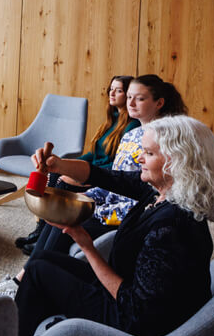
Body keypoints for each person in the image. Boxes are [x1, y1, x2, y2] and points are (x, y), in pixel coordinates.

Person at [11, 116, 214, 336]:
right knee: (42, 260)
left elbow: (135, 308)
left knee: (38, 275)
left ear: (177, 161)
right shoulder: (164, 194)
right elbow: (106, 176)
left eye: (150, 153)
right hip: (139, 298)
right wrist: (59, 165)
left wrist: (87, 245)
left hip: (140, 329)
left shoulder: (172, 228)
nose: (138, 157)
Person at [0, 74, 187, 295]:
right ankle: (24, 277)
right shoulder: (131, 135)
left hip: (127, 211)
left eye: (139, 99)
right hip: (109, 198)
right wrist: (61, 166)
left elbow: (143, 190)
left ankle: (23, 282)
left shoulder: (166, 140)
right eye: (130, 97)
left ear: (159, 103)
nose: (130, 103)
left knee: (67, 220)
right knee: (60, 210)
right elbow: (117, 177)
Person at [15, 74, 137, 251]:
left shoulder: (131, 127)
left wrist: (81, 174)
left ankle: (45, 238)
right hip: (95, 169)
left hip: (104, 178)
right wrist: (68, 164)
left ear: (128, 95)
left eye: (118, 90)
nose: (112, 93)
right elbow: (93, 154)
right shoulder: (111, 121)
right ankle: (40, 231)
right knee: (55, 173)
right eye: (111, 89)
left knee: (62, 184)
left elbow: (117, 168)